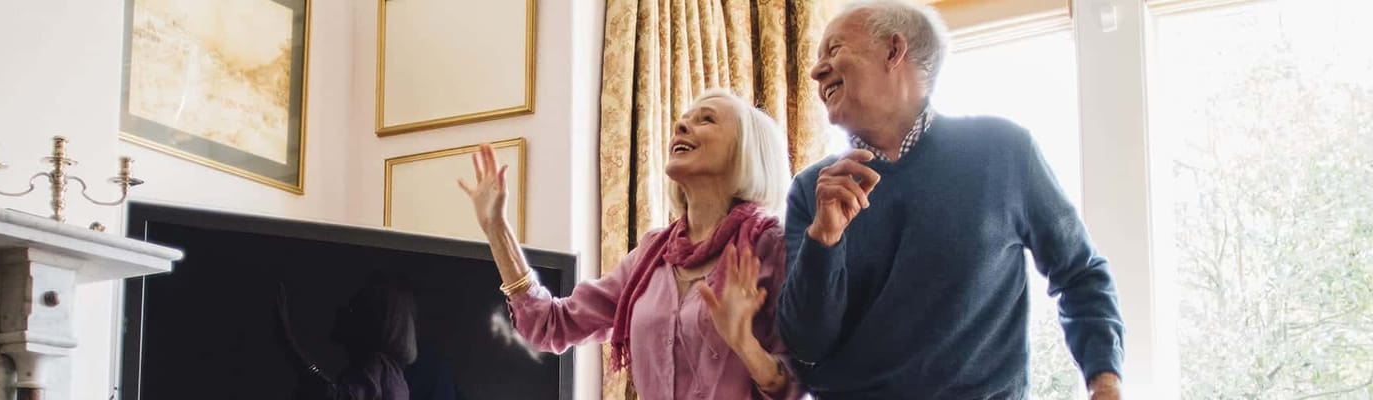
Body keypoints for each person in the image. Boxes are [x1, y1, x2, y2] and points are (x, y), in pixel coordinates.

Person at [776, 1, 1125, 399]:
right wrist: (823, 239)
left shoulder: (1003, 152)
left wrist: (1105, 382)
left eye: (834, 50)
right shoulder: (811, 191)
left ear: (894, 51)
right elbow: (805, 345)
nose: (816, 71)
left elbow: (1079, 274)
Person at [459, 89, 803, 399]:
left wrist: (745, 345)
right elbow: (550, 326)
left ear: (747, 153)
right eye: (683, 120)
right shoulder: (653, 255)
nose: (681, 127)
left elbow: (800, 386)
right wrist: (496, 229)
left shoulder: (772, 245)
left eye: (706, 119)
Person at [276, 273, 421, 400]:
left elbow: (333, 396)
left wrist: (287, 341)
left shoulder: (379, 365)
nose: (340, 311)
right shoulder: (391, 373)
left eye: (353, 308)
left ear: (372, 324)